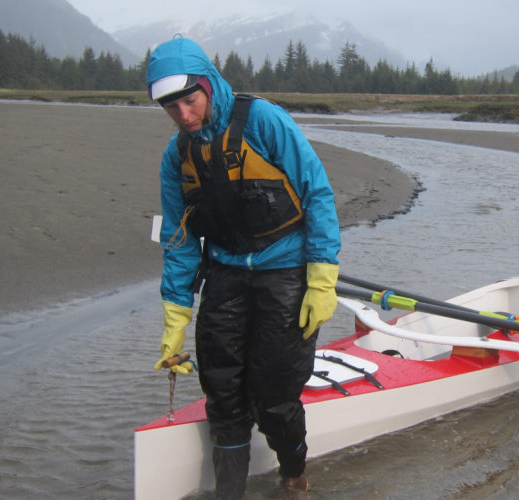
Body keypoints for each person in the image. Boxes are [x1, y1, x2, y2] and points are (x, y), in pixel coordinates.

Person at [146, 37, 341, 499]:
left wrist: (321, 279)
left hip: (285, 272)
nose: (184, 117)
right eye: (171, 109)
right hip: (226, 275)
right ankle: (229, 492)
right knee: (223, 394)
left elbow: (317, 194)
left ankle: (294, 478)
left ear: (209, 85)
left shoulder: (264, 120)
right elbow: (178, 241)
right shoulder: (177, 157)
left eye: (190, 102)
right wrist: (176, 315)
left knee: (273, 398)